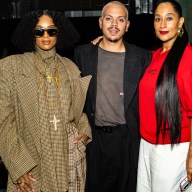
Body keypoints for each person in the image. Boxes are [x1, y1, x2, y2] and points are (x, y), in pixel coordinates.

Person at [0, 10, 92, 192]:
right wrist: (19, 167)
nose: (46, 36)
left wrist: (84, 128)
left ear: (59, 32)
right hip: (31, 159)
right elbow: (3, 122)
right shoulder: (11, 67)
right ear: (30, 34)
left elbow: (76, 109)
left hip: (69, 157)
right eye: (39, 31)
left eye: (51, 31)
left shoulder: (69, 67)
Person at [74, 1, 151, 192]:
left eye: (120, 19)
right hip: (95, 141)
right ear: (101, 22)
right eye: (109, 18)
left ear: (127, 25)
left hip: (128, 141)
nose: (114, 24)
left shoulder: (143, 57)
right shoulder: (83, 54)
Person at [137, 0, 192, 191]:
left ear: (180, 22)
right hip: (146, 144)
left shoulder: (188, 58)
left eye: (169, 18)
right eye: (157, 19)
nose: (162, 25)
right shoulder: (152, 56)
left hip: (173, 148)